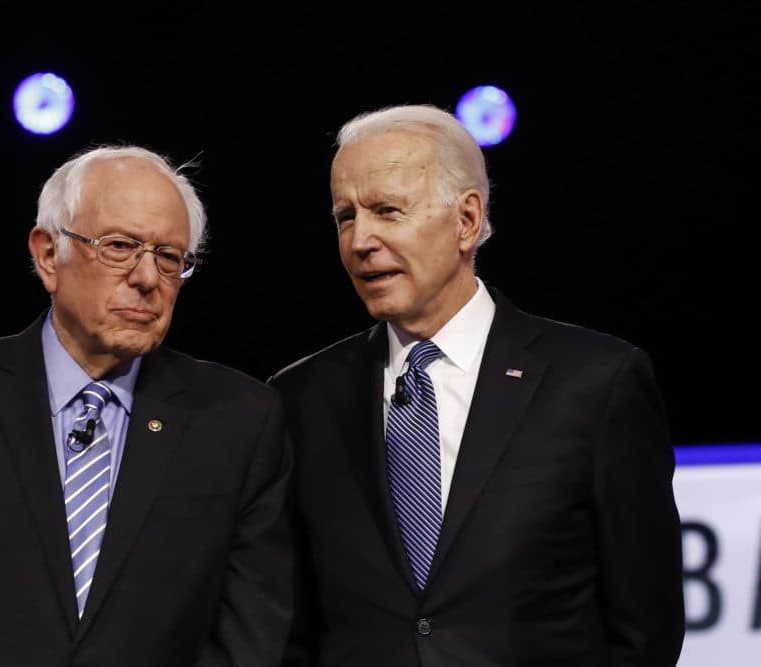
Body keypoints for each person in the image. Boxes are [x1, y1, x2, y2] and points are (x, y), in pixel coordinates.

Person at [268, 105, 685, 666]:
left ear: (466, 221)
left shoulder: (596, 384)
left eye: (388, 211)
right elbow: (291, 625)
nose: (361, 240)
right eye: (345, 216)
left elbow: (645, 630)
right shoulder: (301, 399)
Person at [0, 145, 293, 666]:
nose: (148, 278)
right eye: (120, 246)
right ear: (46, 255)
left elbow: (250, 638)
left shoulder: (239, 420)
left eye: (169, 258)